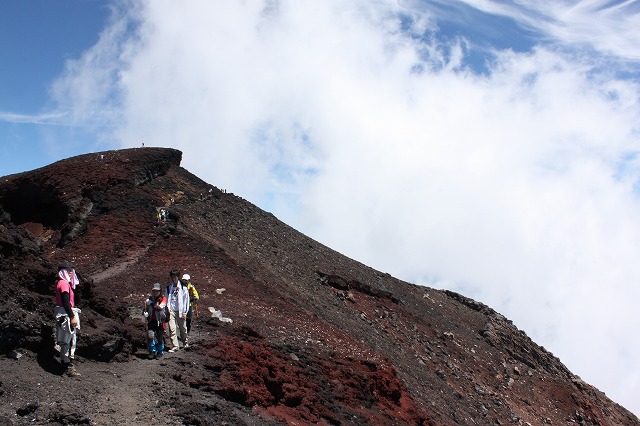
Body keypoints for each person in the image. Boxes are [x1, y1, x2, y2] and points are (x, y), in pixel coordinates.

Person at [54, 261, 81, 377]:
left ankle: (64, 365)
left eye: (72, 270)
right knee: (69, 340)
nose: (71, 272)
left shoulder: (62, 283)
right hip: (65, 313)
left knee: (65, 339)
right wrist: (72, 316)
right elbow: (66, 302)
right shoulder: (64, 284)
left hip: (62, 312)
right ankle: (68, 366)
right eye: (69, 270)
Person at [165, 269, 190, 352]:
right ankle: (175, 346)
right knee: (172, 328)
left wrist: (184, 312)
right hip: (171, 310)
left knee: (183, 328)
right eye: (172, 277)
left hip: (180, 311)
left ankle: (185, 342)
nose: (173, 279)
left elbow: (186, 301)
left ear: (178, 277)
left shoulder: (183, 287)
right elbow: (166, 299)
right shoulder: (169, 288)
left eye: (175, 277)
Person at [144, 283, 167, 359]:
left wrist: (152, 303)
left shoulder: (163, 299)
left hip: (160, 321)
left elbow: (160, 307)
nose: (155, 292)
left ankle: (160, 352)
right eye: (154, 291)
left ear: (160, 291)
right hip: (151, 320)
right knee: (150, 336)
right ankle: (152, 350)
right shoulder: (150, 299)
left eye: (157, 291)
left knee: (159, 337)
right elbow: (146, 308)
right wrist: (145, 312)